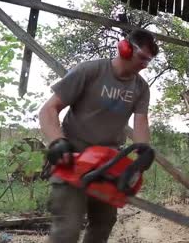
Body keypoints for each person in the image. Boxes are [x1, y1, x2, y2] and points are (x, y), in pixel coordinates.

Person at [39, 29, 158, 243]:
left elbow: (140, 122)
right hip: (73, 158)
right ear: (125, 48)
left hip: (108, 162)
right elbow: (49, 109)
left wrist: (143, 150)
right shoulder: (90, 71)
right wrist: (57, 142)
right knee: (67, 228)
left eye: (148, 61)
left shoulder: (140, 87)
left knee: (103, 224)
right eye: (141, 58)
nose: (144, 65)